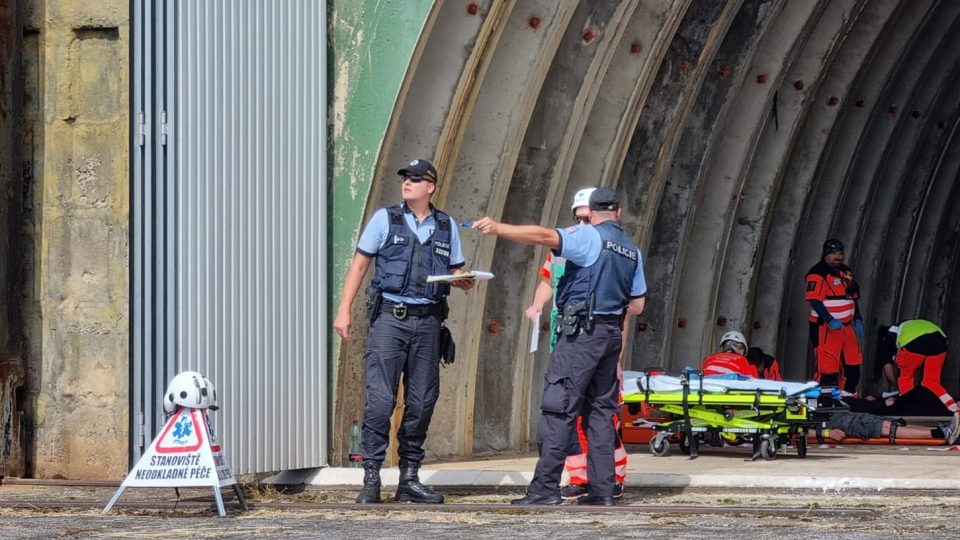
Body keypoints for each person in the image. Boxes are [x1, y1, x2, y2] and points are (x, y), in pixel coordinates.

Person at [474, 187, 646, 506]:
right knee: (599, 413)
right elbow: (637, 305)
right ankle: (603, 490)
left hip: (580, 335)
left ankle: (544, 489)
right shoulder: (631, 250)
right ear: (618, 213)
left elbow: (542, 236)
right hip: (609, 336)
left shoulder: (588, 237)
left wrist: (498, 227)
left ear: (591, 214)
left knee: (558, 410)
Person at [333, 158, 474, 504]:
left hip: (428, 323)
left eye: (415, 179)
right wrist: (344, 310)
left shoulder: (446, 226)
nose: (407, 183)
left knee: (423, 400)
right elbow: (360, 266)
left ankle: (409, 477)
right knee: (380, 401)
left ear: (431, 187)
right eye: (405, 177)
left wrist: (465, 280)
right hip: (390, 321)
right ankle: (371, 478)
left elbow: (457, 269)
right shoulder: (386, 219)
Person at [523, 188, 627, 500]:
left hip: (585, 337)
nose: (583, 224)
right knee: (582, 414)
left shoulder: (599, 250)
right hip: (567, 336)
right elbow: (547, 280)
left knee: (570, 411)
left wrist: (618, 359)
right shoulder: (564, 249)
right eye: (578, 218)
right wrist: (537, 306)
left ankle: (603, 482)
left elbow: (626, 310)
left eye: (587, 217)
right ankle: (591, 483)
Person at [805, 239, 863, 393]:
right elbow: (814, 299)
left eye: (840, 253)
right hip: (826, 328)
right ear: (825, 255)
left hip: (847, 327)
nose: (838, 257)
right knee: (827, 371)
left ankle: (847, 399)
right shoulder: (817, 273)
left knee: (853, 368)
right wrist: (829, 319)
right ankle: (824, 403)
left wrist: (857, 318)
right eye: (833, 254)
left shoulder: (846, 271)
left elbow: (853, 296)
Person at [883, 321, 958, 413]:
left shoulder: (888, 338)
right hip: (940, 339)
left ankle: (908, 409)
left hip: (913, 341)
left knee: (905, 378)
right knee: (932, 383)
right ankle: (955, 409)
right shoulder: (909, 325)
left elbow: (891, 366)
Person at [824, 410, 960, 446]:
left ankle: (942, 430)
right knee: (884, 427)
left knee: (891, 423)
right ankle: (943, 433)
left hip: (839, 417)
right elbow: (802, 431)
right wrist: (827, 433)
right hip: (838, 424)